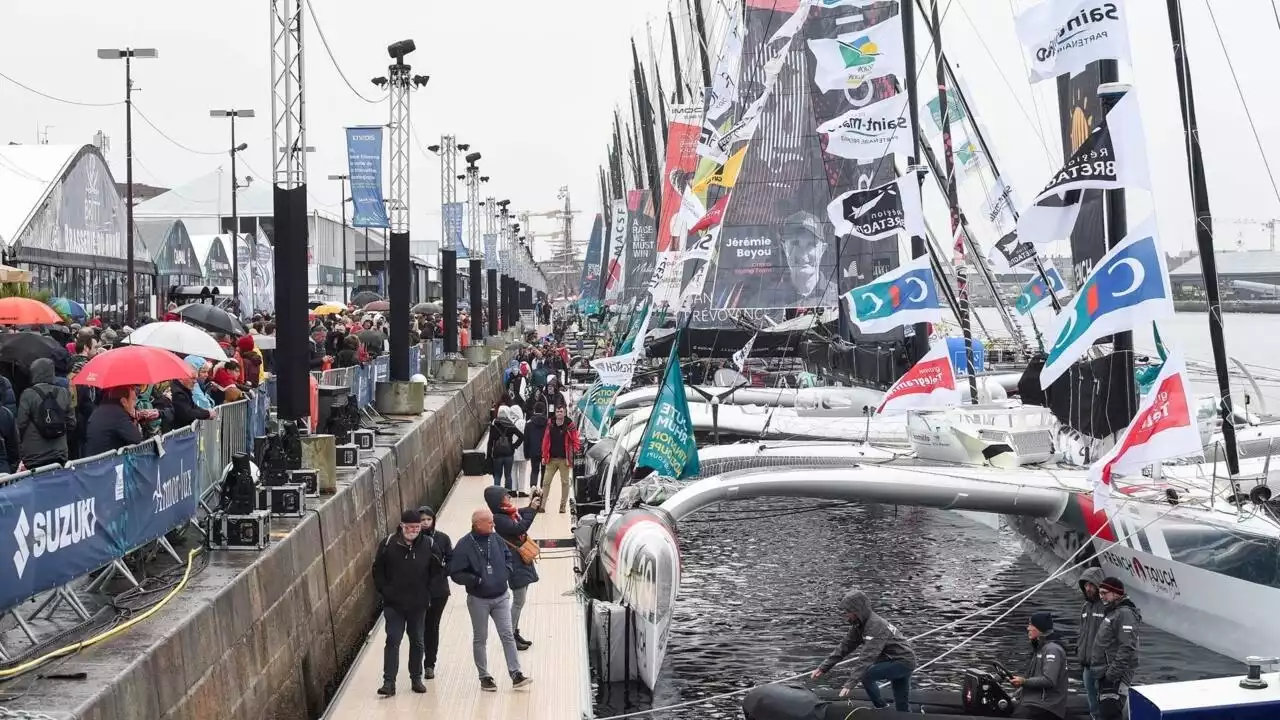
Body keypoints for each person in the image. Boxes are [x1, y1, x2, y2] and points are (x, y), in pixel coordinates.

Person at [448, 508, 532, 692]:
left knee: (507, 634)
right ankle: (484, 676)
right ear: (477, 524)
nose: (493, 525)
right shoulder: (464, 545)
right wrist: (475, 580)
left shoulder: (495, 538)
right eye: (489, 523)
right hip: (479, 599)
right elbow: (455, 572)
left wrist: (506, 572)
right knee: (481, 638)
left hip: (501, 595)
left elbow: (508, 554)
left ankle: (516, 673)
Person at [811, 589, 916, 712]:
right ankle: (900, 714)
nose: (846, 615)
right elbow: (844, 647)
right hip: (897, 659)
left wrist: (850, 683)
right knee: (901, 705)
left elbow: (867, 657)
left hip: (902, 661)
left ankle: (881, 708)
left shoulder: (875, 625)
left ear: (858, 611)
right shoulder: (859, 625)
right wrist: (823, 667)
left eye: (848, 612)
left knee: (866, 675)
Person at [372, 509, 437, 697]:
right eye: (410, 527)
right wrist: (386, 591)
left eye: (417, 527)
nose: (414, 530)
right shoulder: (387, 544)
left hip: (418, 604)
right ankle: (388, 682)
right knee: (393, 639)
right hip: (394, 604)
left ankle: (416, 678)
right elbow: (377, 571)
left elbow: (437, 571)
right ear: (402, 526)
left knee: (417, 641)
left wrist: (427, 592)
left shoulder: (428, 545)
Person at [483, 486, 543, 650]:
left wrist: (533, 502)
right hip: (514, 562)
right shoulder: (499, 518)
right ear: (497, 501)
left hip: (522, 560)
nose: (509, 497)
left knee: (520, 600)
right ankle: (509, 637)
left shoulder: (510, 513)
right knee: (518, 601)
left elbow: (524, 513)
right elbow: (520, 528)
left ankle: (514, 632)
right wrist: (531, 509)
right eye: (505, 496)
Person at [1089, 578, 1141, 720]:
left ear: (1117, 594)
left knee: (1110, 714)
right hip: (1105, 675)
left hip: (1113, 679)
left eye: (1105, 593)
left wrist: (1110, 676)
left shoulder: (1124, 614)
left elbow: (1127, 647)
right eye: (1100, 593)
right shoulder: (1114, 612)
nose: (1101, 596)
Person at [15, 357, 74, 469]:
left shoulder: (28, 394)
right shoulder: (64, 392)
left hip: (34, 454)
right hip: (59, 452)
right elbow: (71, 423)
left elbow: (21, 425)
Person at [416, 506, 452, 680]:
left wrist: (443, 572)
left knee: (432, 627)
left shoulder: (443, 539)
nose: (425, 523)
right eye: (422, 520)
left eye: (428, 519)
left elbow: (451, 560)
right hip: (418, 591)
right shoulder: (412, 538)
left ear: (433, 520)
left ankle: (429, 664)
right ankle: (417, 663)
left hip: (438, 591)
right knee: (417, 628)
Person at [1012, 612, 1068, 719]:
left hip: (1046, 706)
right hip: (1034, 701)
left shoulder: (1052, 649)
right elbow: (1032, 678)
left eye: (1031, 625)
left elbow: (1049, 680)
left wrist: (1024, 682)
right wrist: (1016, 693)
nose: (1028, 628)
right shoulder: (1039, 648)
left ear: (1039, 628)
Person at [1076, 567, 1107, 719]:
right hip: (1087, 665)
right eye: (1086, 585)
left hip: (1103, 666)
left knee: (1105, 702)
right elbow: (1082, 633)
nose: (1088, 588)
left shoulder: (1107, 607)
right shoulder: (1085, 607)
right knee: (1092, 703)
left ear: (1099, 586)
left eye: (1091, 585)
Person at [539, 405, 580, 513]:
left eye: (561, 411)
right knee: (546, 482)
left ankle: (562, 507)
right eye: (557, 411)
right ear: (555, 413)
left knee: (565, 483)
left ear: (565, 413)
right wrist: (544, 455)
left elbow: (575, 439)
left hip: (564, 459)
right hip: (551, 458)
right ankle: (542, 506)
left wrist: (575, 451)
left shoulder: (569, 425)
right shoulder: (550, 424)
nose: (559, 413)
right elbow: (545, 440)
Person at [83, 386, 143, 456]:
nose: (134, 404)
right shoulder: (119, 415)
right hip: (107, 462)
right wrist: (133, 419)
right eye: (133, 400)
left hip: (93, 460)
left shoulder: (99, 409)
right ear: (124, 401)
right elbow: (136, 438)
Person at [488, 405, 524, 491]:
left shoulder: (494, 425)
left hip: (497, 455)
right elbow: (522, 436)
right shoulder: (510, 425)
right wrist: (514, 446)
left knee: (497, 475)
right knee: (508, 475)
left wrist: (489, 455)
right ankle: (507, 495)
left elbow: (490, 442)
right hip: (509, 454)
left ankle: (496, 494)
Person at [523, 402, 547, 499]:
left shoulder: (529, 423)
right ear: (543, 410)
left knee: (534, 470)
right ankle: (543, 490)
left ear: (534, 410)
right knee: (544, 471)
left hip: (533, 451)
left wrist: (526, 454)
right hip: (544, 451)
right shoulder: (547, 423)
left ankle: (533, 488)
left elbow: (526, 440)